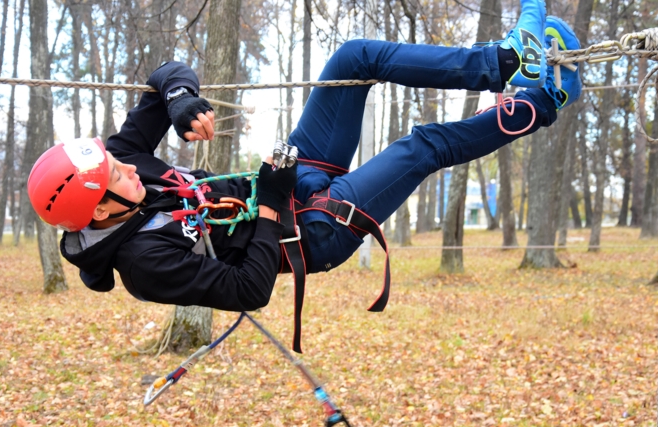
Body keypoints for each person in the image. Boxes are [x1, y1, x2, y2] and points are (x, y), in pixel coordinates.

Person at [28, 3, 581, 351]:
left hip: (291, 174)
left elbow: (163, 75)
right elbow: (249, 289)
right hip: (310, 232)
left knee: (354, 57)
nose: (127, 165)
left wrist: (178, 98)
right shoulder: (143, 267)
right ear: (99, 210)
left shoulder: (126, 165)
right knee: (422, 147)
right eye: (116, 174)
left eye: (116, 159)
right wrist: (269, 206)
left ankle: (502, 63)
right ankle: (541, 103)